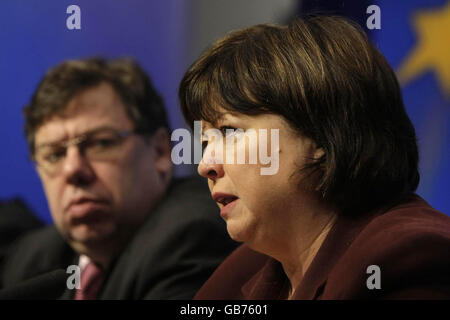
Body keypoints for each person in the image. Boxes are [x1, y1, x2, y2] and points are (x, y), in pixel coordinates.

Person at [179, 15, 450, 299]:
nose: (205, 166)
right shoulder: (242, 271)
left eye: (230, 131)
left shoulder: (408, 258)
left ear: (321, 134)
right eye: (205, 141)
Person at [0, 57, 237, 299]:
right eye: (54, 154)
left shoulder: (190, 236)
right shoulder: (39, 257)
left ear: (160, 152)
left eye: (101, 143)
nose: (72, 169)